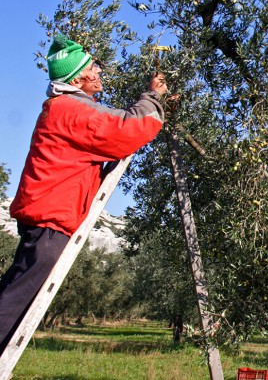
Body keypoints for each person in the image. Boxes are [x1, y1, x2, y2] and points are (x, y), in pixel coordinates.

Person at [0, 35, 167, 353]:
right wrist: (153, 97)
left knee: (16, 292)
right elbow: (124, 130)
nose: (99, 71)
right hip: (50, 222)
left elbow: (112, 122)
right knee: (15, 300)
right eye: (95, 66)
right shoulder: (70, 110)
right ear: (79, 77)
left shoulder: (66, 108)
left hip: (47, 219)